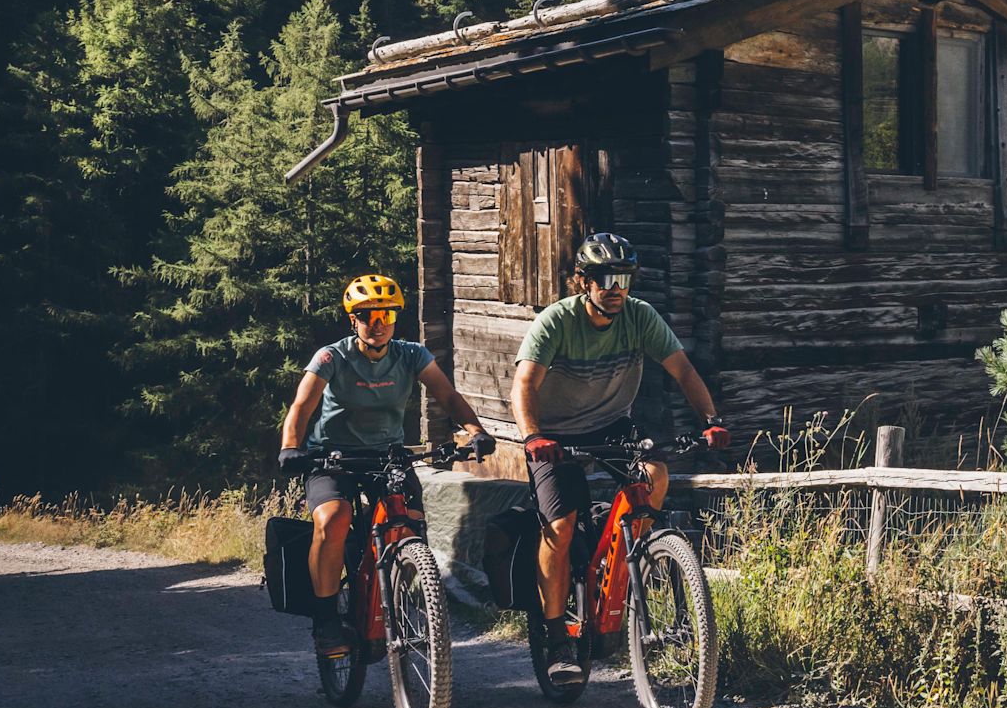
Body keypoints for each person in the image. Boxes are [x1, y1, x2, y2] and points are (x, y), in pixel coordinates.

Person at [512, 233, 729, 678]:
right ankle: (557, 638)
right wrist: (533, 437)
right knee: (560, 525)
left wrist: (710, 419)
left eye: (624, 279)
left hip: (612, 425)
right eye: (605, 278)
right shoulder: (556, 321)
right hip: (555, 434)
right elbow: (524, 385)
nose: (616, 288)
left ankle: (633, 562)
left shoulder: (640, 317)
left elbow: (683, 370)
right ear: (583, 281)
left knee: (655, 474)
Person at [279, 274, 491, 659]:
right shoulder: (332, 357)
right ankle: (326, 619)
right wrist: (291, 446)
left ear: (395, 318)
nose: (376, 323)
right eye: (366, 316)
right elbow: (302, 406)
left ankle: (397, 598)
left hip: (388, 456)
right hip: (332, 457)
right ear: (352, 320)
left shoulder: (411, 355)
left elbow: (447, 394)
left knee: (407, 523)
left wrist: (474, 430)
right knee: (333, 520)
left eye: (385, 315)